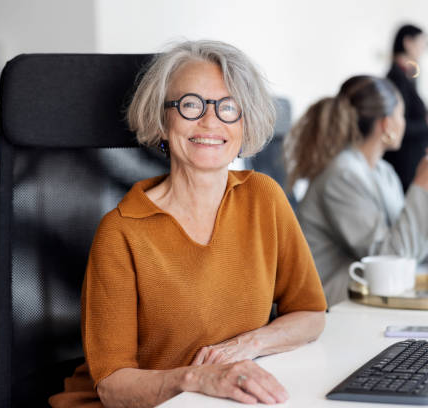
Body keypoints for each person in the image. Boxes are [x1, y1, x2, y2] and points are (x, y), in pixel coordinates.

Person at [49, 40, 327, 408]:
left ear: (244, 124)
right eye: (190, 105)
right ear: (163, 120)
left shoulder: (264, 197)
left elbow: (310, 314)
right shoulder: (121, 231)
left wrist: (247, 345)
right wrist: (200, 378)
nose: (210, 121)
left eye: (228, 107)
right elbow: (112, 385)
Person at [285, 76, 428, 306]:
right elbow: (389, 258)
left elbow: (413, 250)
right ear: (386, 124)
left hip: (370, 294)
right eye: (401, 115)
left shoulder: (384, 172)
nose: (404, 122)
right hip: (334, 304)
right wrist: (423, 184)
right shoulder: (343, 176)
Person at [383, 24, 428, 192]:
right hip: (404, 164)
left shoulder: (408, 76)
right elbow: (398, 123)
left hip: (412, 160)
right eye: (422, 43)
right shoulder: (395, 79)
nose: (423, 49)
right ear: (408, 42)